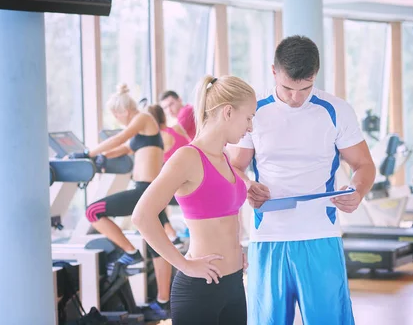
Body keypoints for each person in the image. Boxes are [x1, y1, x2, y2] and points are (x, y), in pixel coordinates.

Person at [227, 35, 376, 325]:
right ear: (273, 72)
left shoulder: (336, 110)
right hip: (268, 237)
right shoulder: (254, 112)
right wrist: (247, 186)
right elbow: (234, 166)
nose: (296, 97)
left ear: (315, 76)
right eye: (288, 88)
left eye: (304, 88)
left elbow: (364, 164)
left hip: (320, 234)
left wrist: (358, 191)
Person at [132, 75, 256, 325]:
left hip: (233, 284)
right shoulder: (188, 157)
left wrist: (236, 248)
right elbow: (142, 216)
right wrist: (183, 265)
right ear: (228, 112)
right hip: (201, 288)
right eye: (249, 117)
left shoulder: (224, 159)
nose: (250, 127)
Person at [69, 84, 176, 321]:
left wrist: (87, 154)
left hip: (144, 191)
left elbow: (120, 137)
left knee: (92, 211)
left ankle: (130, 251)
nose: (116, 119)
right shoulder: (143, 130)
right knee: (158, 247)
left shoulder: (143, 118)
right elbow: (122, 148)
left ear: (122, 111)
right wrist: (101, 158)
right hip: (151, 191)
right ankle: (163, 302)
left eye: (115, 114)